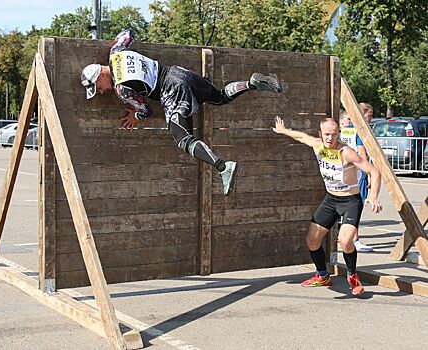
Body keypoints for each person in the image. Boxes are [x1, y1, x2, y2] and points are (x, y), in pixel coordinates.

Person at [80, 28, 286, 195]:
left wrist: (136, 115)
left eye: (97, 86)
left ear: (100, 75)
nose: (99, 91)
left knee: (184, 140)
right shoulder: (116, 52)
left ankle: (224, 168)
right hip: (179, 72)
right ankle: (252, 83)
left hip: (171, 90)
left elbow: (147, 110)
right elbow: (128, 33)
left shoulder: (121, 89)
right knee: (221, 96)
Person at [273, 116, 382, 296]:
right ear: (320, 134)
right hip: (331, 199)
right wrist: (283, 130)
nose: (330, 138)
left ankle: (352, 276)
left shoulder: (346, 152)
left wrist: (373, 195)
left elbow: (374, 171)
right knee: (312, 240)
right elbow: (301, 137)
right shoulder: (318, 145)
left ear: (338, 133)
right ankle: (322, 275)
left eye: (334, 134)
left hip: (350, 201)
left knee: (345, 241)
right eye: (327, 134)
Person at [338, 110, 373, 252]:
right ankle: (355, 239)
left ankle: (345, 236)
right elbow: (362, 154)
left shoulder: (341, 133)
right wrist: (370, 173)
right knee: (356, 206)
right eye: (369, 115)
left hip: (343, 173)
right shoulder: (358, 132)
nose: (370, 118)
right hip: (358, 174)